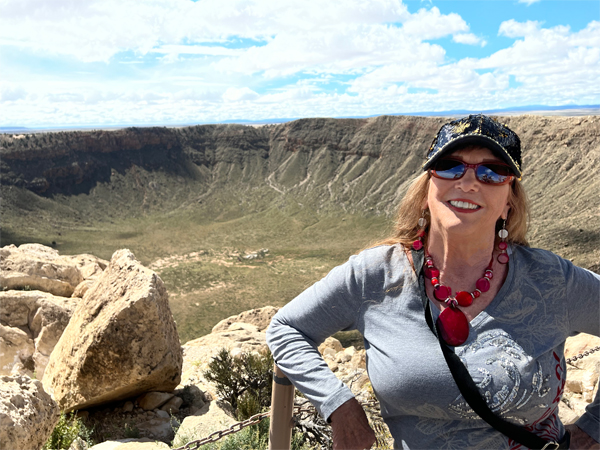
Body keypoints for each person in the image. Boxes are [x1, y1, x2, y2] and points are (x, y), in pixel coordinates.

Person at [266, 114, 600, 449]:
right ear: (427, 189)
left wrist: (594, 426)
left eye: (492, 172)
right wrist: (338, 405)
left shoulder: (552, 279)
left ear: (509, 201)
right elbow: (285, 329)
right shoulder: (375, 275)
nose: (469, 183)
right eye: (451, 166)